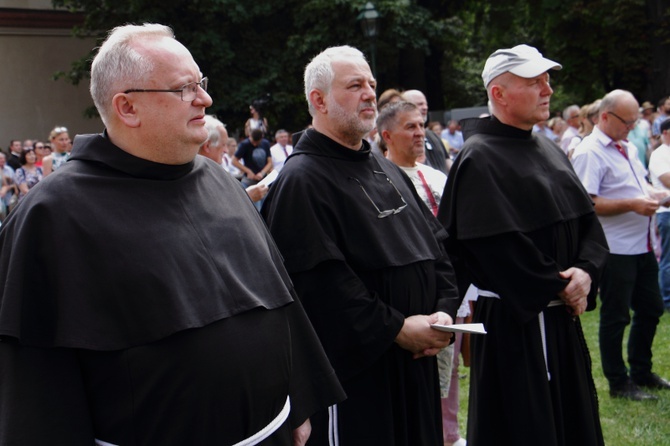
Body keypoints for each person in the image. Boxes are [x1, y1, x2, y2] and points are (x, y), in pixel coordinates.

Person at [0, 23, 344, 446]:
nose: (205, 98)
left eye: (201, 83)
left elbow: (278, 296)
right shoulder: (52, 215)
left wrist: (299, 399)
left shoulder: (219, 182)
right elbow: (37, 382)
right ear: (127, 107)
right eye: (185, 88)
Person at [262, 45, 459, 446]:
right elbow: (322, 286)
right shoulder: (302, 180)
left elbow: (436, 246)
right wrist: (397, 329)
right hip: (356, 378)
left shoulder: (385, 168)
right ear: (318, 100)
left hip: (416, 362)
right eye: (355, 85)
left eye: (371, 83)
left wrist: (443, 311)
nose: (370, 93)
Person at [439, 44, 609, 446]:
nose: (548, 89)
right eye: (534, 82)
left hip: (560, 319)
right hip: (517, 324)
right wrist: (559, 286)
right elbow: (496, 246)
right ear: (499, 94)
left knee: (572, 420)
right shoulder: (478, 158)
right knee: (523, 426)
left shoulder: (549, 147)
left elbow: (588, 222)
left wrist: (586, 270)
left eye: (547, 80)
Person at [572, 89, 670, 401]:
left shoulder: (624, 146)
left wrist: (654, 196)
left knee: (652, 308)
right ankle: (618, 382)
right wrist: (632, 204)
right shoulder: (590, 151)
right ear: (604, 117)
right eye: (627, 121)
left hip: (641, 245)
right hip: (614, 249)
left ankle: (641, 370)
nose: (632, 127)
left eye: (634, 121)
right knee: (616, 316)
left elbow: (637, 186)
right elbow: (586, 203)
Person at [377, 101, 463, 446]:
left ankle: (451, 434)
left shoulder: (436, 177)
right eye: (410, 127)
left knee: (449, 366)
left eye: (421, 125)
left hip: (445, 290)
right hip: (407, 311)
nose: (420, 133)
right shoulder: (382, 177)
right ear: (386, 136)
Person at [200, 115, 268, 203]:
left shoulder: (209, 171)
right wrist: (246, 197)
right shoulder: (199, 177)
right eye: (223, 145)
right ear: (207, 146)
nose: (226, 150)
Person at [402, 89, 451, 174]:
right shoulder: (402, 139)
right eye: (420, 104)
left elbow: (448, 162)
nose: (425, 107)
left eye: (426, 104)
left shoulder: (433, 135)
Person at [649, 118, 670, 312]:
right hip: (666, 212)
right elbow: (667, 180)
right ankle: (667, 299)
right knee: (668, 260)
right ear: (665, 133)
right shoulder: (659, 154)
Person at [233, 128, 272, 210]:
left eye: (257, 142)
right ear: (250, 136)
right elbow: (234, 161)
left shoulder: (265, 144)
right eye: (253, 141)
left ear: (262, 138)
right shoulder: (244, 144)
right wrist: (248, 171)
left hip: (263, 182)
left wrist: (262, 172)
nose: (254, 144)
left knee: (265, 209)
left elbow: (270, 162)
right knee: (255, 209)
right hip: (249, 181)